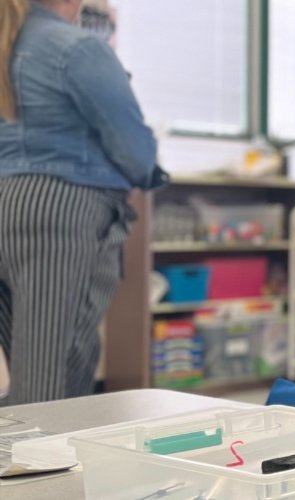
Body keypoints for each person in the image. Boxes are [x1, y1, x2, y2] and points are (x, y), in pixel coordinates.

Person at [0, 0, 164, 405]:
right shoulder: (76, 48)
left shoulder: (9, 42)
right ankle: (39, 464)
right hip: (58, 209)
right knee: (52, 373)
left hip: (6, 202)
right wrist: (149, 173)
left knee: (23, 364)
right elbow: (133, 147)